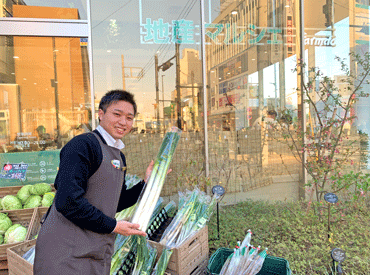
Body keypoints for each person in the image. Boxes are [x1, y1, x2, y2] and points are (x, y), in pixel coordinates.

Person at [34, 90, 153, 275]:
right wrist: (114, 226)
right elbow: (68, 201)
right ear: (101, 114)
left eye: (129, 117)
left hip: (93, 250)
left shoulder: (118, 156)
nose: (123, 122)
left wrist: (146, 182)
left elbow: (116, 201)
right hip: (65, 253)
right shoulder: (83, 146)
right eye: (117, 114)